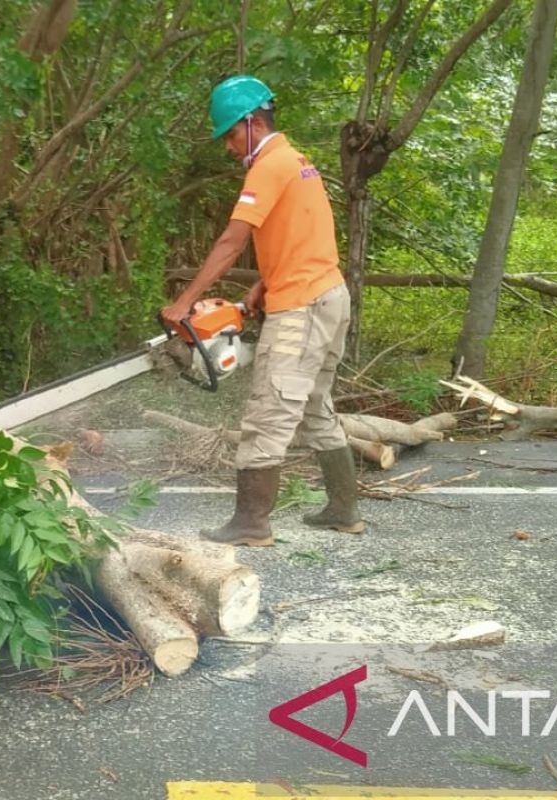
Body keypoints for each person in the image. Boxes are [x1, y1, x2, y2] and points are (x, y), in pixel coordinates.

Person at [161, 75, 364, 547]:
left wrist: (185, 302)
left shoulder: (270, 166)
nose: (229, 147)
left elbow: (233, 240)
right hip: (328, 296)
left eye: (231, 134)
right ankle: (343, 509)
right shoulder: (298, 162)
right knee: (315, 407)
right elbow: (303, 238)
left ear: (252, 123)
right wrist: (262, 284)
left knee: (267, 414)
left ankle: (251, 523)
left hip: (302, 307)